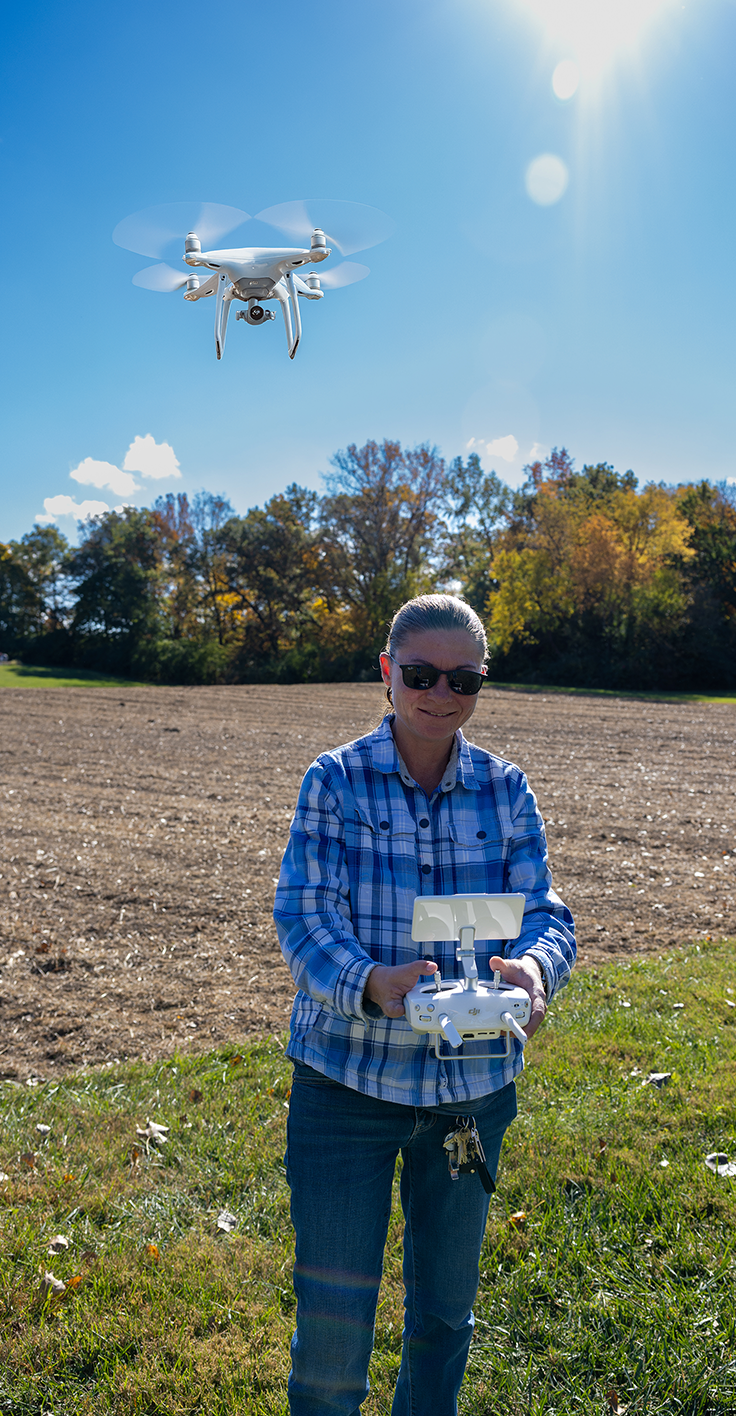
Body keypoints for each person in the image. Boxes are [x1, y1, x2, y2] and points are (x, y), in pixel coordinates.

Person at [274, 593, 575, 1416]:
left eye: (464, 679)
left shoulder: (506, 790)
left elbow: (546, 911)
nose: (441, 693)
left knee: (445, 1317)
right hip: (346, 1085)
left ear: (481, 683)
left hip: (470, 1094)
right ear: (386, 673)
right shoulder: (334, 780)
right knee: (335, 1333)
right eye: (420, 674)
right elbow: (303, 914)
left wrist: (537, 972)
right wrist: (371, 981)